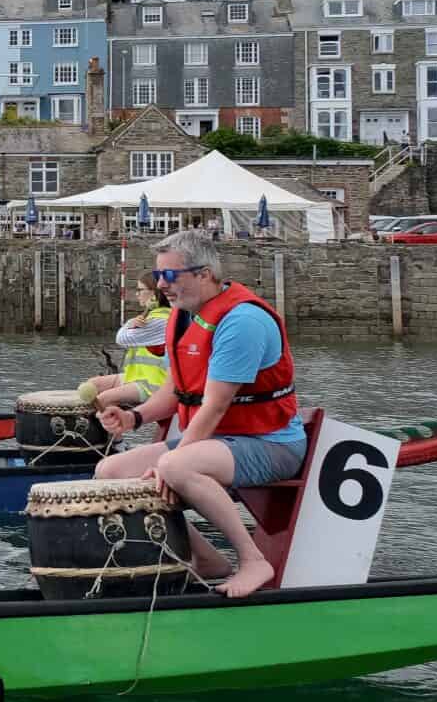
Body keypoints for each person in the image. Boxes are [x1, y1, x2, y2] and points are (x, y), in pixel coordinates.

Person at [96, 230, 307, 598]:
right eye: (159, 276)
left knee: (176, 467)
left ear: (205, 274)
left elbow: (214, 406)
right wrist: (135, 418)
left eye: (170, 276)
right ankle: (205, 559)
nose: (162, 286)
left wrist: (173, 459)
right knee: (110, 472)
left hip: (271, 443)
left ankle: (253, 560)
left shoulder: (242, 322)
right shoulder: (182, 316)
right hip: (218, 441)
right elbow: (177, 391)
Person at [75, 273, 173, 414]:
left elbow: (122, 339)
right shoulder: (151, 317)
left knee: (102, 399)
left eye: (140, 290)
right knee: (92, 384)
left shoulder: (160, 320)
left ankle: (108, 432)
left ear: (155, 293)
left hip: (153, 384)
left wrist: (129, 324)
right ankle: (115, 432)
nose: (137, 294)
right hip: (140, 378)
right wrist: (132, 323)